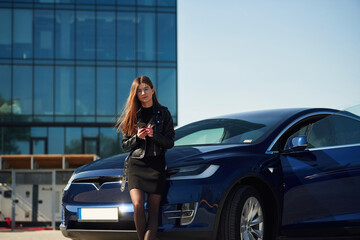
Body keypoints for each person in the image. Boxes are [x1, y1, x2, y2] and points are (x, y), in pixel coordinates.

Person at [116, 75, 175, 240]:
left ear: (153, 90)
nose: (143, 93)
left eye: (146, 89)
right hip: (136, 166)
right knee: (138, 205)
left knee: (154, 210)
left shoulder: (164, 113)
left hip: (156, 166)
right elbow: (125, 145)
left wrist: (154, 135)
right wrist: (138, 137)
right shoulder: (132, 116)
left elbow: (170, 142)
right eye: (139, 90)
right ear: (135, 94)